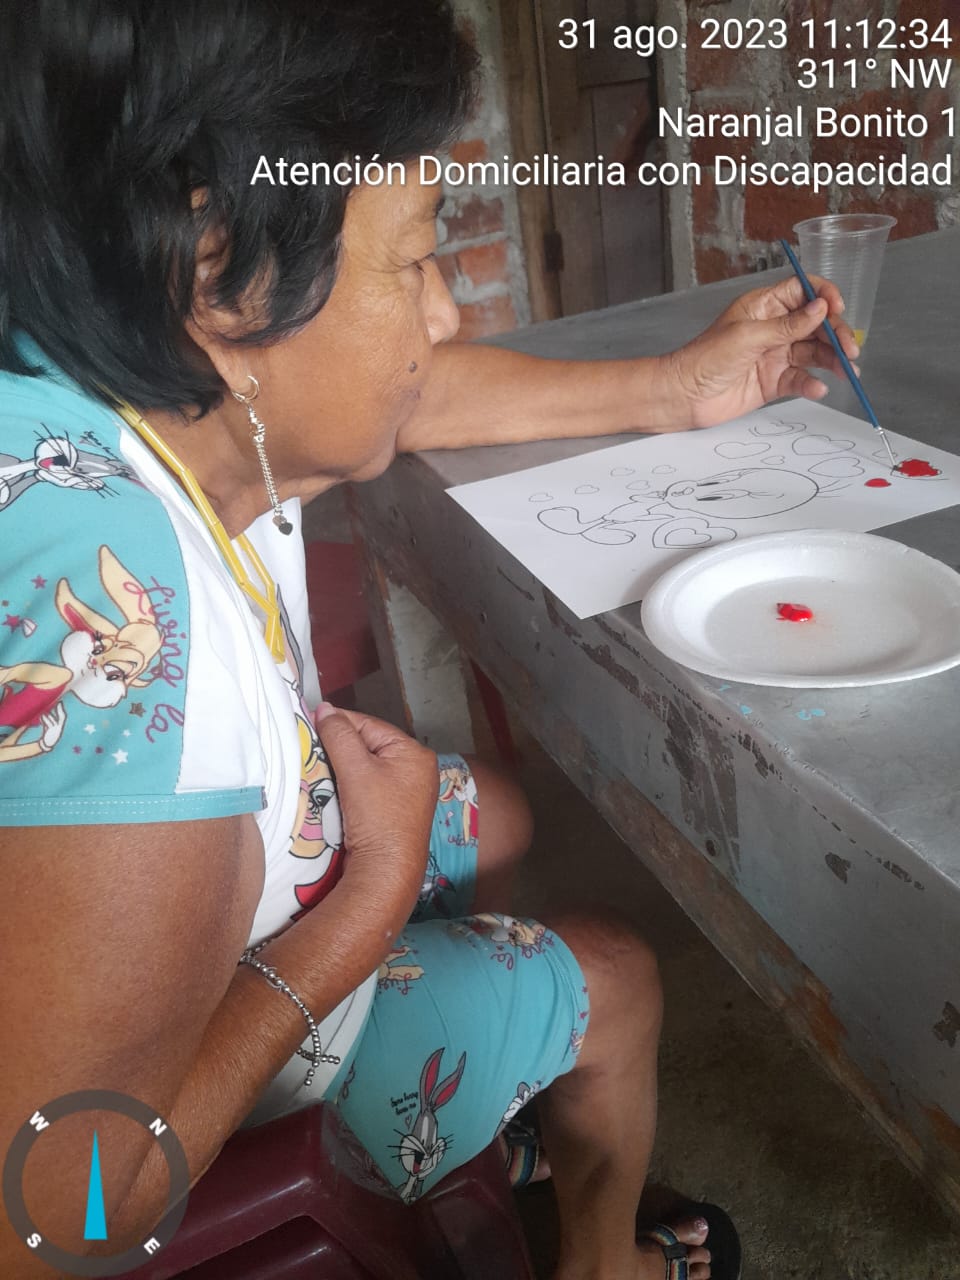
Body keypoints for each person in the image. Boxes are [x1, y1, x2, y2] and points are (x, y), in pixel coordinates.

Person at [0, 3, 857, 1277]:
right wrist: (367, 908)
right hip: (217, 1039)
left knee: (499, 811)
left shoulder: (96, 363)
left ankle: (484, 1106)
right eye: (414, 262)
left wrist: (676, 387)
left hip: (255, 848)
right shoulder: (124, 637)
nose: (444, 315)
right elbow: (56, 1212)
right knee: (620, 970)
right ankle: (600, 1257)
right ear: (220, 274)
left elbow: (400, 386)